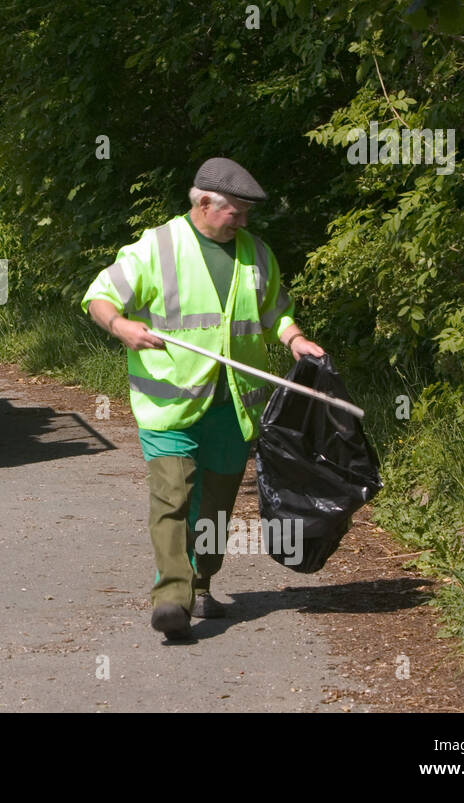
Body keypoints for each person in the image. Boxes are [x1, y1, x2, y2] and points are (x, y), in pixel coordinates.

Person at [82, 157, 325, 641]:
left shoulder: (256, 253)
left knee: (215, 509)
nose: (243, 220)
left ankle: (201, 580)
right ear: (204, 202)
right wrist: (122, 326)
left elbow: (277, 310)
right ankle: (172, 598)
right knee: (173, 496)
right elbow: (99, 296)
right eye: (236, 210)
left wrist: (295, 338)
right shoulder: (157, 247)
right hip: (170, 405)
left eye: (247, 213)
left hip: (232, 409)